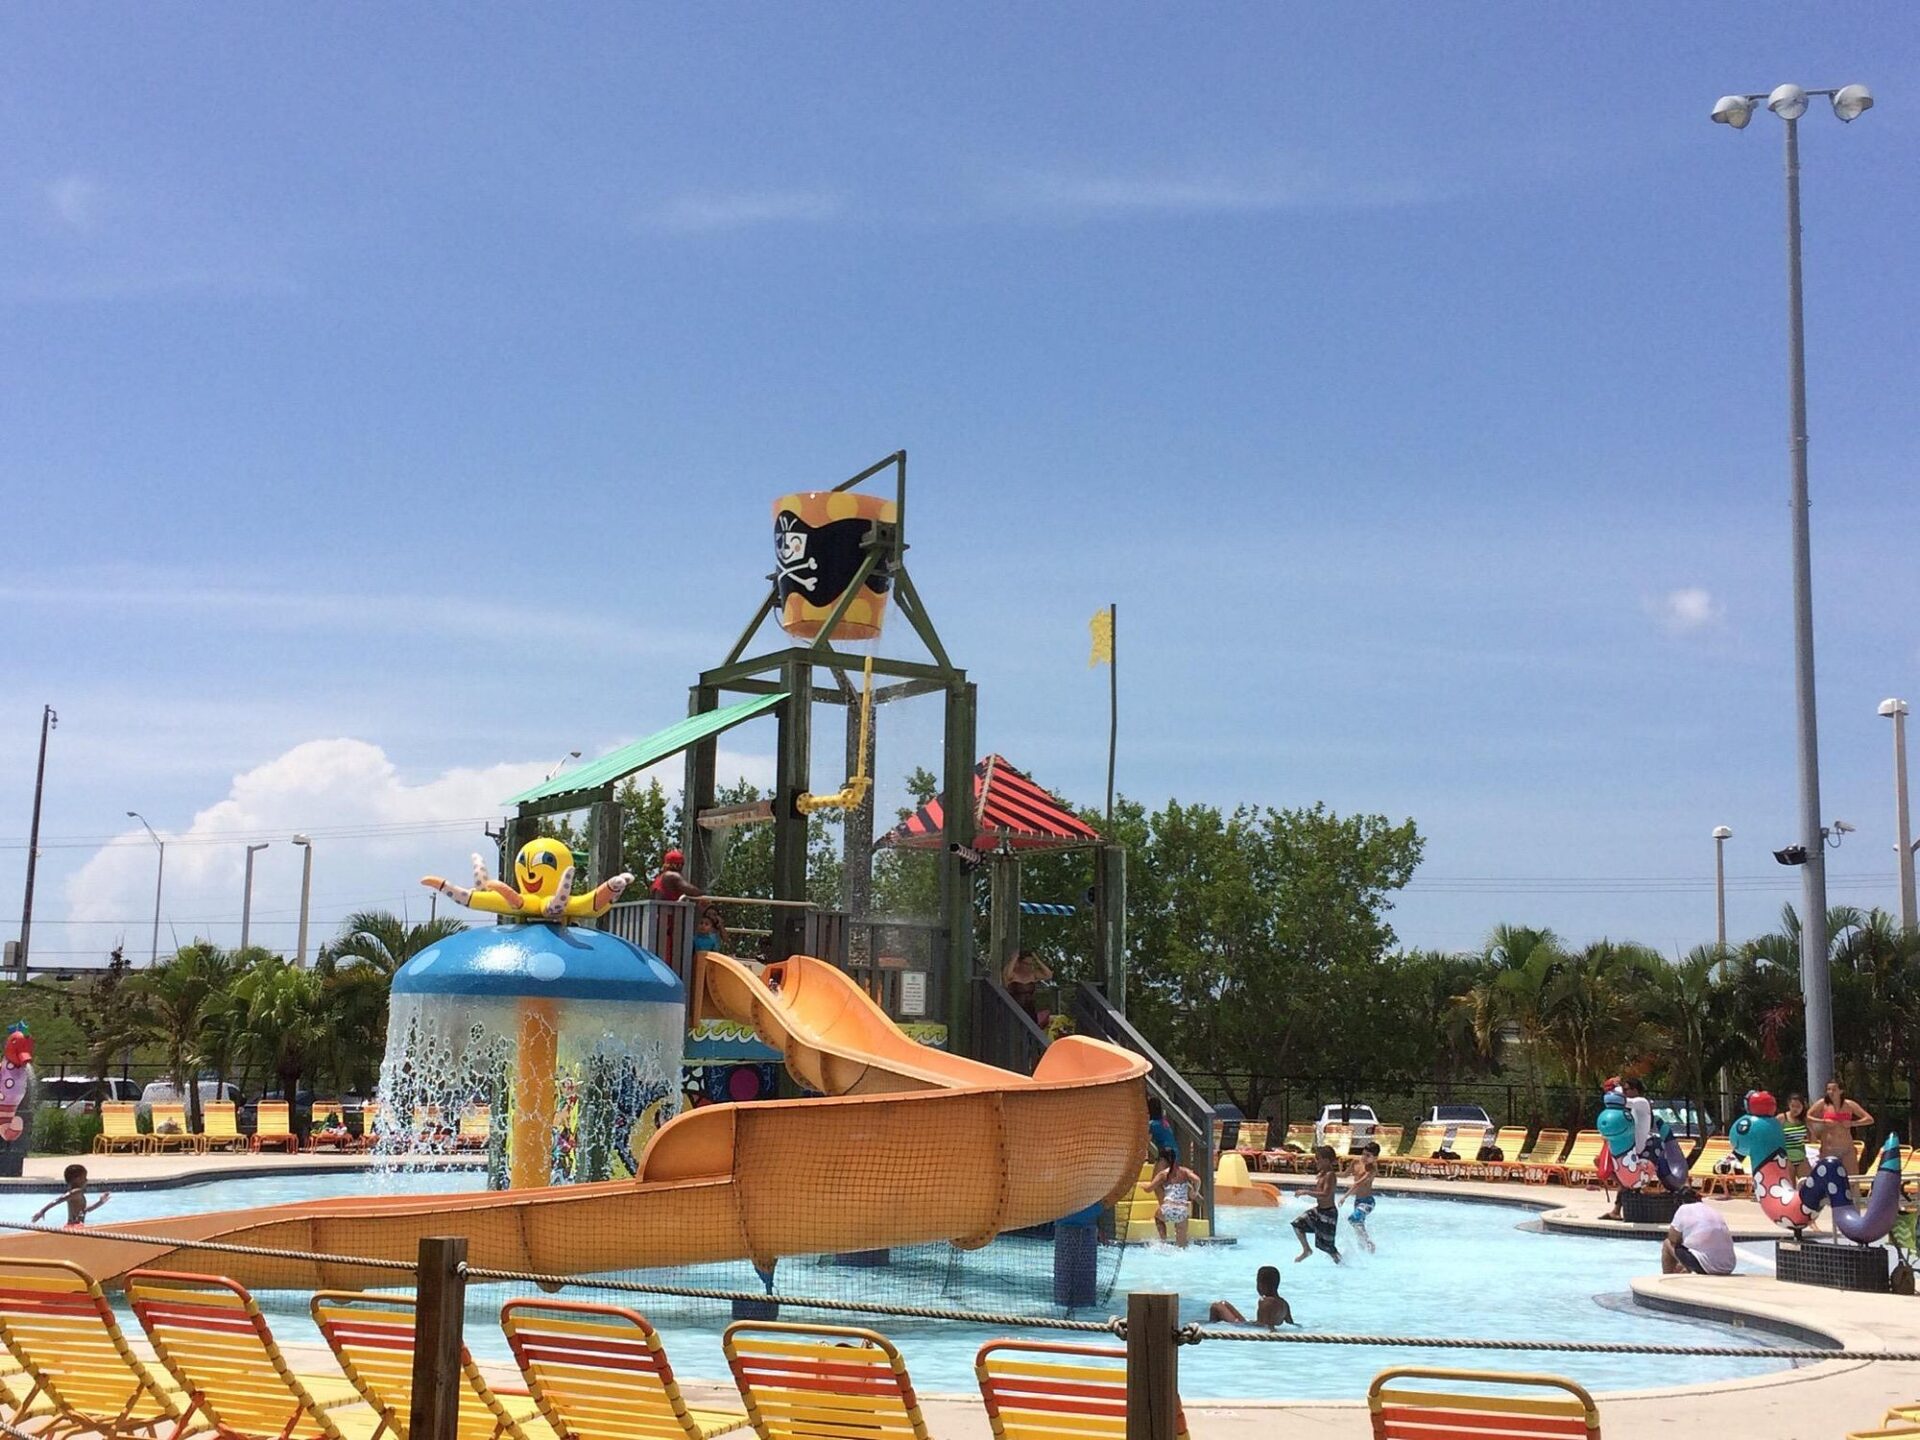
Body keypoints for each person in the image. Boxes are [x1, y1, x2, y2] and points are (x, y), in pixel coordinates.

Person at [1662, 1187, 1736, 1275]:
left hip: (1707, 1266)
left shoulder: (1683, 1208)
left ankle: (1667, 1280)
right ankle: (1686, 1267)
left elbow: (1672, 1238)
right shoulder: (1711, 1209)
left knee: (1667, 1243)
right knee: (1690, 1250)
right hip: (1729, 1266)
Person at [1292, 1145, 1342, 1264]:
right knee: (1298, 1224)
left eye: (1318, 1158)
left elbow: (1325, 1194)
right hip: (1319, 1210)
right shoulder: (1323, 1173)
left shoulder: (1330, 1175)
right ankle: (1307, 1250)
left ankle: (1342, 1264)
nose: (1316, 1161)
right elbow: (1319, 1190)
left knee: (1327, 1246)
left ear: (1326, 1160)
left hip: (1328, 1213)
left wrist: (1306, 1192)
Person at [1813, 1079, 1873, 1176]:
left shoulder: (1849, 1104)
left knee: (1852, 1179)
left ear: (1841, 1091)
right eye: (1828, 1089)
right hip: (1828, 1149)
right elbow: (1808, 1117)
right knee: (1829, 1178)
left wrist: (1852, 1123)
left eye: (1834, 1090)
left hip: (1846, 1149)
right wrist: (1823, 1121)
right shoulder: (1823, 1104)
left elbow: (1869, 1119)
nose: (1830, 1092)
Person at [1149, 1146, 1202, 1247]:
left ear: (1163, 1161)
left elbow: (1149, 1189)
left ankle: (1163, 1241)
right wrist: (1195, 1192)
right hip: (1182, 1210)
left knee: (1158, 1218)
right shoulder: (1184, 1171)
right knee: (1182, 1244)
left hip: (1167, 1209)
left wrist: (1143, 1186)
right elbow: (1197, 1179)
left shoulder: (1163, 1174)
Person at [1209, 1265, 1295, 1327]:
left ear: (1262, 1285)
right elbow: (1291, 1323)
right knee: (1224, 1303)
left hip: (1246, 1329)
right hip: (1250, 1325)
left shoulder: (1264, 1301)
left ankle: (1212, 1328)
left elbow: (1262, 1326)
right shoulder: (1284, 1303)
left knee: (1216, 1306)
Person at [32, 1163, 110, 1228]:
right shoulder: (76, 1192)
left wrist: (100, 1202)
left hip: (72, 1226)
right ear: (77, 1179)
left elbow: (84, 1211)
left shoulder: (76, 1193)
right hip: (75, 1226)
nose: (86, 1180)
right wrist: (42, 1211)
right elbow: (59, 1200)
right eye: (84, 1177)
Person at [1340, 1140, 1379, 1253]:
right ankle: (1364, 1249)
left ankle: (1369, 1243)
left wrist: (1344, 1197)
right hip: (1358, 1201)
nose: (1364, 1157)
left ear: (1375, 1158)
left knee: (1353, 1219)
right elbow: (1345, 1174)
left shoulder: (1372, 1169)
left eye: (1368, 1156)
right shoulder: (1356, 1162)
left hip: (1368, 1202)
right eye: (1363, 1154)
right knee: (1358, 1226)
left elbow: (1358, 1184)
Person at [1002, 950, 1054, 1025]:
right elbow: (1007, 975)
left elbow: (1048, 975)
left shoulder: (1033, 974)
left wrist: (1037, 960)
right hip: (1014, 1009)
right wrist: (1014, 959)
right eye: (1026, 964)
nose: (1028, 967)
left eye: (1031, 964)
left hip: (1030, 1010)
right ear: (1019, 963)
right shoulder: (1013, 975)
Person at [1783, 1093, 1812, 1181]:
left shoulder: (1803, 1120)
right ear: (1789, 1105)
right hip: (1787, 1158)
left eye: (1798, 1106)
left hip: (1801, 1157)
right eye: (1793, 1106)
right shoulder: (1782, 1118)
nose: (1795, 1109)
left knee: (1808, 1184)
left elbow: (1812, 1140)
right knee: (1790, 1187)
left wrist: (1809, 1126)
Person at [1146, 1096, 1177, 1162]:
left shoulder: (1151, 1124)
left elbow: (1146, 1141)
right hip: (1175, 1151)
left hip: (1165, 1152)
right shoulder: (1164, 1122)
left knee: (1159, 1172)